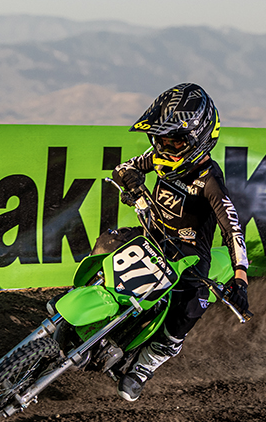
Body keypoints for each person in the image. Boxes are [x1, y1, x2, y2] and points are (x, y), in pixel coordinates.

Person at [95, 83, 249, 401]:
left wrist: (240, 278)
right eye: (162, 140)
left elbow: (232, 228)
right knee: (105, 246)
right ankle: (86, 309)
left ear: (198, 137)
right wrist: (134, 185)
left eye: (175, 141)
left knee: (190, 309)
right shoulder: (161, 158)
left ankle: (142, 368)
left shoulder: (209, 179)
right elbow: (123, 168)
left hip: (190, 258)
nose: (166, 148)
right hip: (153, 237)